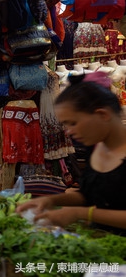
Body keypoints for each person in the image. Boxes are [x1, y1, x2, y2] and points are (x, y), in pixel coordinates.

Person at [15, 73, 126, 235]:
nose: (68, 132)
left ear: (103, 115)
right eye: (65, 124)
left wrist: (79, 213)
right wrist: (50, 200)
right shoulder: (95, 147)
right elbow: (89, 195)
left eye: (73, 123)